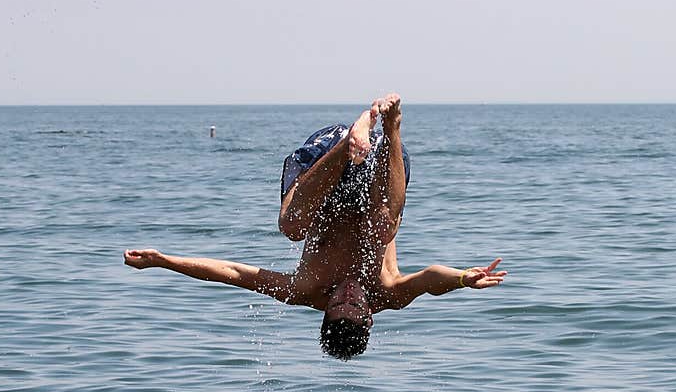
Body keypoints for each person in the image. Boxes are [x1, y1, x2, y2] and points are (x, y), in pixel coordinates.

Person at [124, 93, 507, 360]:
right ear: (369, 314)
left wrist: (163, 261)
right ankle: (391, 127)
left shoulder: (304, 290)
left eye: (336, 303)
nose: (347, 294)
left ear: (324, 311)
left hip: (321, 164)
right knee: (384, 227)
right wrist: (461, 279)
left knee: (291, 227)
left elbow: (233, 273)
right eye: (354, 304)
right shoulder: (389, 293)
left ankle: (350, 142)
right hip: (381, 172)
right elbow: (429, 281)